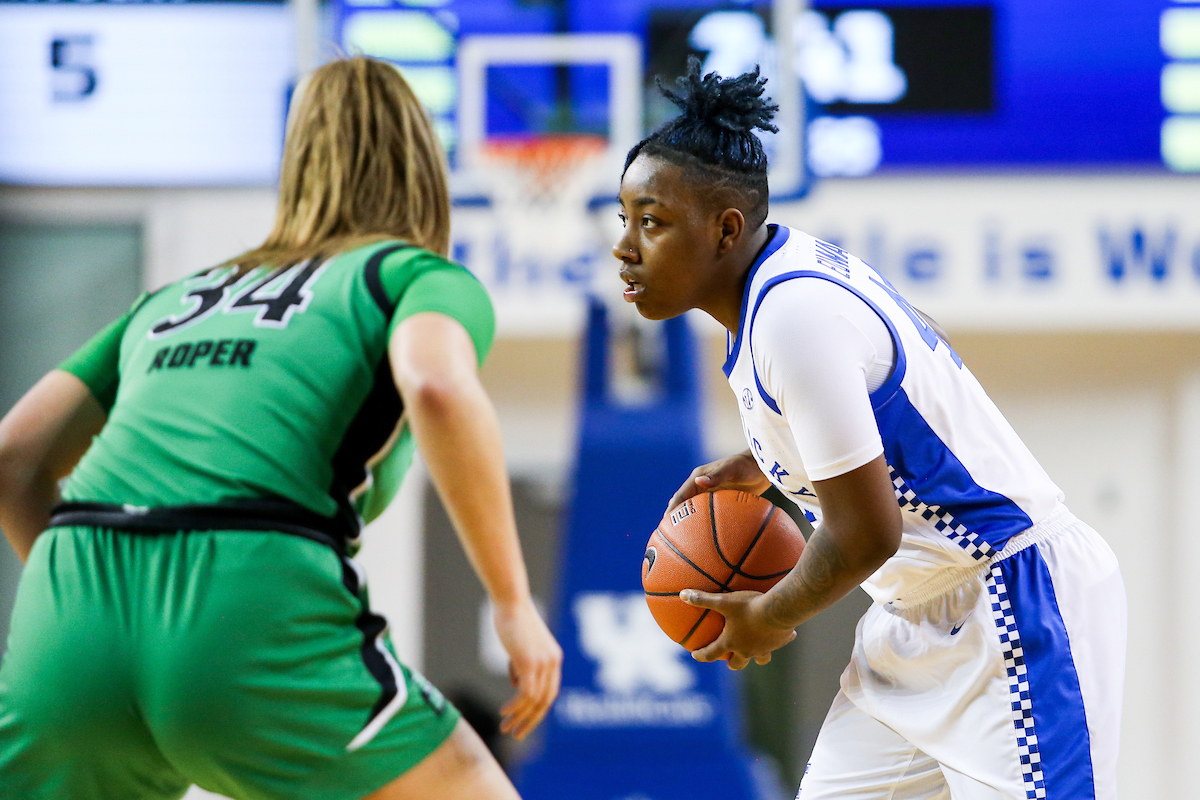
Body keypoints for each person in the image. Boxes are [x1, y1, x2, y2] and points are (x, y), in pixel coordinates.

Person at [0, 57, 561, 800]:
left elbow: (12, 456)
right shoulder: (412, 276)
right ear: (426, 167)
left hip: (70, 610)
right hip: (245, 593)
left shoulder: (174, 299)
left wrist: (108, 612)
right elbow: (435, 384)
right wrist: (513, 604)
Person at [614, 58, 1125, 800]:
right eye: (624, 220)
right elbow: (887, 376)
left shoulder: (790, 315)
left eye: (652, 222)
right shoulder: (778, 276)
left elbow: (865, 535)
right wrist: (777, 457)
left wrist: (765, 616)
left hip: (1012, 603)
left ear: (725, 229)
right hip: (912, 619)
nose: (625, 246)